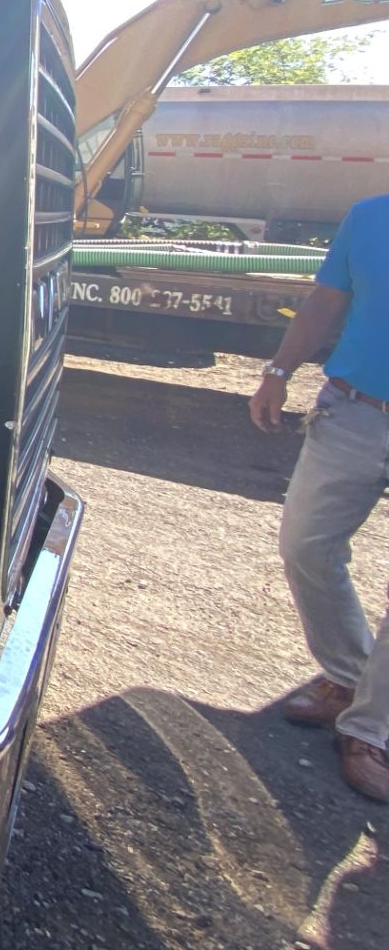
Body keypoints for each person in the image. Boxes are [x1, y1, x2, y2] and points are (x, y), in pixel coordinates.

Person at [250, 192, 389, 802]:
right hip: (355, 409)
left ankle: (371, 729)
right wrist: (278, 372)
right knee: (305, 545)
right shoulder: (368, 216)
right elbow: (326, 301)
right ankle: (351, 675)